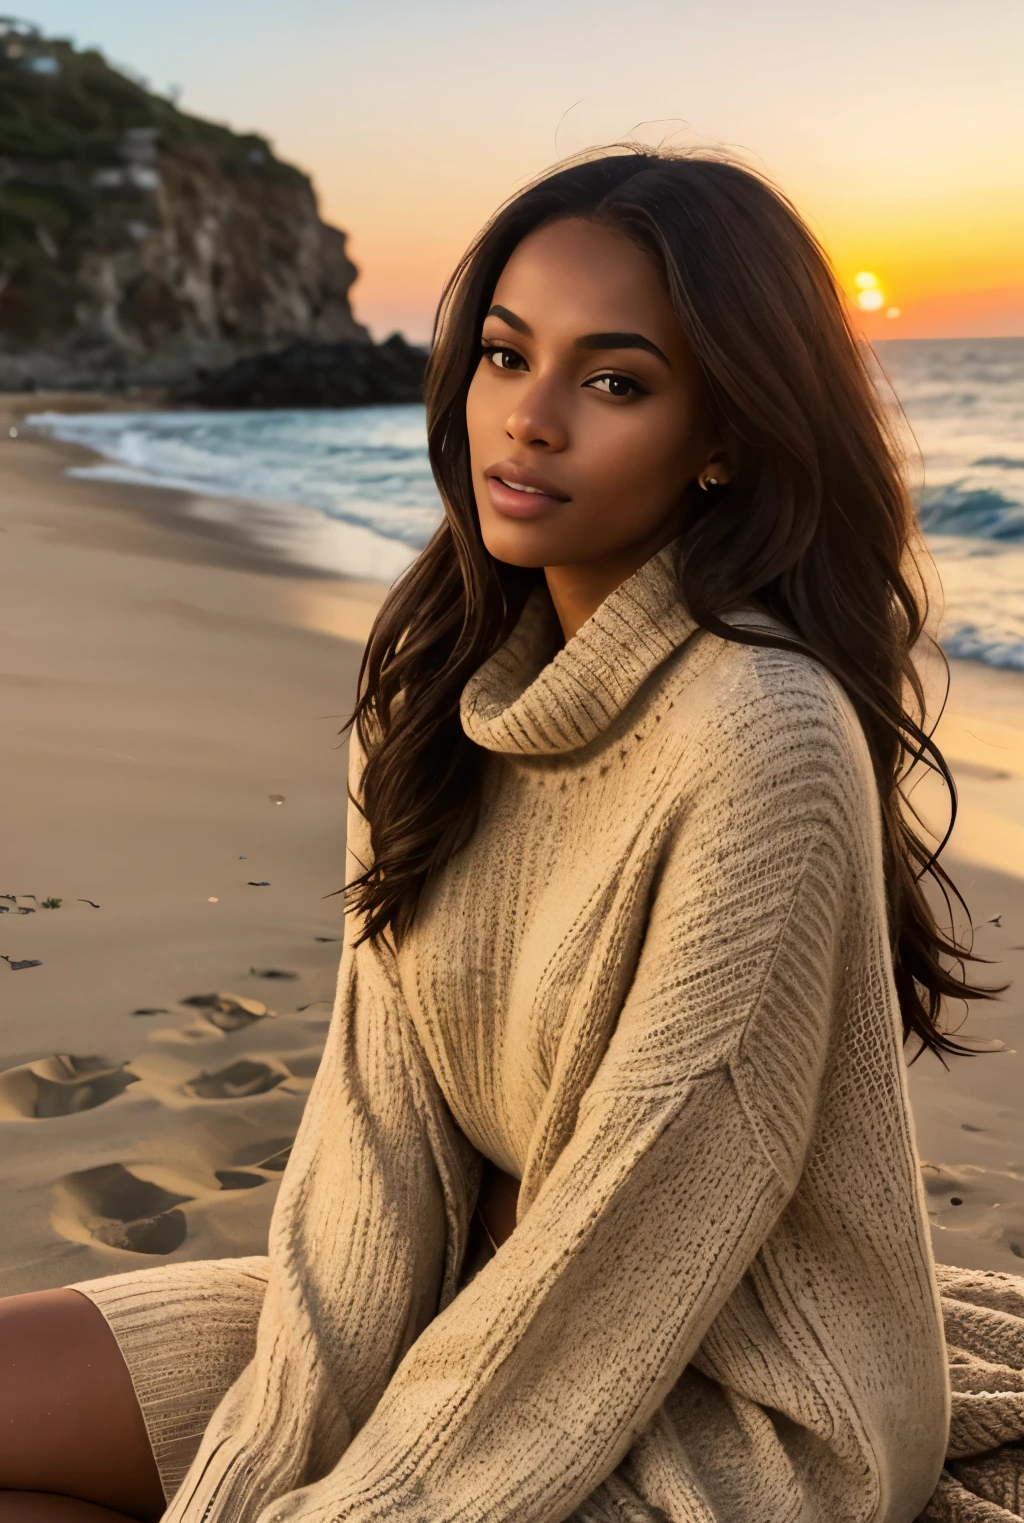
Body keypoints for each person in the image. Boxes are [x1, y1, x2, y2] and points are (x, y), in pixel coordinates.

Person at [2, 147, 1022, 1523]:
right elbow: (373, 1146)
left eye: (612, 382)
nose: (528, 421)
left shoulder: (761, 737)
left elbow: (628, 1249)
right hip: (469, 1309)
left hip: (744, 1414)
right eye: (502, 354)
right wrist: (257, 1466)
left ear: (724, 433)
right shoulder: (434, 693)